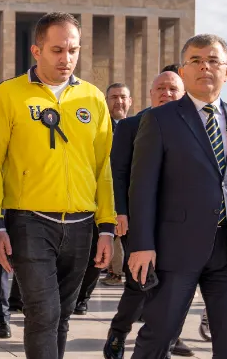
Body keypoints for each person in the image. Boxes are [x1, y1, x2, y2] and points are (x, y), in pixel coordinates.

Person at [128, 34, 227, 359]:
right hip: (175, 247)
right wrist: (141, 244)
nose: (205, 67)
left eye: (213, 60)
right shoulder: (160, 119)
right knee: (158, 336)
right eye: (196, 60)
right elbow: (143, 187)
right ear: (183, 70)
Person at [0, 11, 115, 359]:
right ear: (36, 51)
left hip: (81, 224)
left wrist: (106, 226)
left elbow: (103, 166)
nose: (67, 59)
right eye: (57, 50)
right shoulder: (9, 95)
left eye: (73, 50)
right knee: (43, 314)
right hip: (29, 220)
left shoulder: (93, 98)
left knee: (61, 318)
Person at [104, 71, 193, 358]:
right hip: (140, 217)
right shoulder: (132, 125)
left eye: (173, 89)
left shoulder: (194, 124)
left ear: (182, 93)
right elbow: (117, 172)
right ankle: (119, 332)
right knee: (140, 281)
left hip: (180, 220)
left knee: (175, 283)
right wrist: (120, 212)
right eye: (161, 88)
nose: (166, 93)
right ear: (151, 93)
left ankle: (166, 337)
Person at [77, 83, 132, 306]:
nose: (118, 101)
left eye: (123, 97)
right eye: (113, 97)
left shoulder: (139, 126)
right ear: (105, 102)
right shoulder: (96, 126)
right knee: (93, 251)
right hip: (99, 197)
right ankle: (82, 298)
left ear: (130, 101)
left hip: (128, 199)